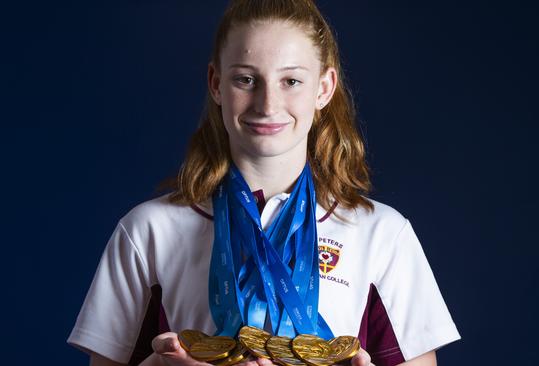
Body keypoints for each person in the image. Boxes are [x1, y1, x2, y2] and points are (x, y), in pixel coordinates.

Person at [68, 1, 460, 365]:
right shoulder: (146, 231)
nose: (267, 104)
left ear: (324, 88)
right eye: (245, 79)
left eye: (291, 81)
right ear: (216, 83)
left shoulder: (384, 236)